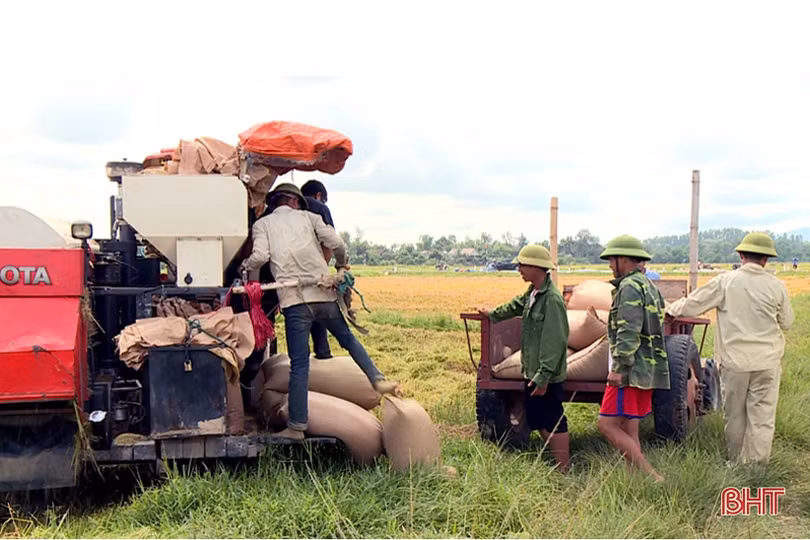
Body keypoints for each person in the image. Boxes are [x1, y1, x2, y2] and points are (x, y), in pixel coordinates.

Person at [240, 183, 401, 440]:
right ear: (296, 202)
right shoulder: (311, 217)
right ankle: (377, 378)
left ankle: (296, 426)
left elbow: (260, 256)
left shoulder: (263, 225)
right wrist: (341, 264)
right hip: (323, 293)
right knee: (348, 339)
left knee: (299, 365)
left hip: (294, 300)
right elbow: (336, 242)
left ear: (275, 202)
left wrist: (246, 270)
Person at [667, 232, 794, 465]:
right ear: (766, 259)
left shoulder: (726, 281)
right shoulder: (777, 286)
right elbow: (787, 322)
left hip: (735, 363)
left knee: (735, 414)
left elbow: (694, 304)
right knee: (763, 416)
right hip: (767, 362)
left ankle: (735, 462)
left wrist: (671, 309)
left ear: (741, 255)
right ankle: (756, 467)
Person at [478, 245, 571, 472]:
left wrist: (543, 376)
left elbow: (555, 341)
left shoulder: (552, 300)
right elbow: (514, 306)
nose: (519, 269)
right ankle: (559, 463)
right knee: (538, 415)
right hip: (533, 370)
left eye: (523, 265)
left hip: (544, 374)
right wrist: (493, 314)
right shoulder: (532, 293)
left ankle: (564, 468)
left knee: (552, 417)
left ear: (536, 268)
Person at [596, 235, 669, 482]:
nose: (609, 265)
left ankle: (651, 476)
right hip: (646, 369)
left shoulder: (628, 288)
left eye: (611, 260)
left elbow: (628, 330)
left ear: (623, 259)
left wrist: (618, 367)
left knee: (606, 424)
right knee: (630, 423)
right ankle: (633, 479)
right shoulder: (648, 285)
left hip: (629, 370)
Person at [300, 179, 336, 360]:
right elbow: (329, 245)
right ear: (319, 195)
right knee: (319, 312)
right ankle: (323, 353)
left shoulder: (288, 209)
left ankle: (301, 358)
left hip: (288, 274)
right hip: (314, 273)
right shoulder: (319, 208)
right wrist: (323, 268)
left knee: (297, 317)